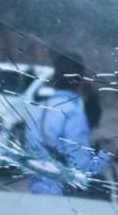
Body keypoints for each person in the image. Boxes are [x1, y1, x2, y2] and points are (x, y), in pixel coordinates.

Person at [24, 52, 108, 195]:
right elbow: (80, 169)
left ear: (54, 79)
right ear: (81, 81)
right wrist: (106, 154)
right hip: (63, 200)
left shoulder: (39, 109)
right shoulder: (73, 113)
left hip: (36, 192)